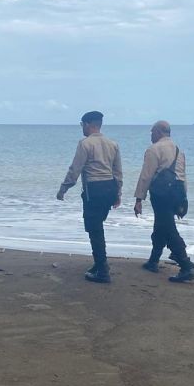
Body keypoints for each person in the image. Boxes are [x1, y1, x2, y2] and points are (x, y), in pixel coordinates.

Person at [57, 111, 123, 283]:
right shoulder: (112, 144)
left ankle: (102, 270)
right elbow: (118, 172)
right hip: (109, 188)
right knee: (97, 226)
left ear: (87, 124)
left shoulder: (85, 144)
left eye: (82, 125)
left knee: (94, 230)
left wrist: (63, 189)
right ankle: (100, 264)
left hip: (94, 189)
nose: (82, 129)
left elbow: (75, 169)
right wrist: (118, 194)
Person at [133, 121, 194, 283]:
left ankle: (185, 265)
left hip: (162, 194)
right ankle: (153, 260)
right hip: (178, 192)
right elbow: (183, 176)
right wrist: (183, 200)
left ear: (159, 132)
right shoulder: (178, 150)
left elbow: (146, 176)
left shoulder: (154, 149)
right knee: (161, 225)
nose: (151, 135)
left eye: (152, 132)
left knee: (167, 228)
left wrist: (139, 199)